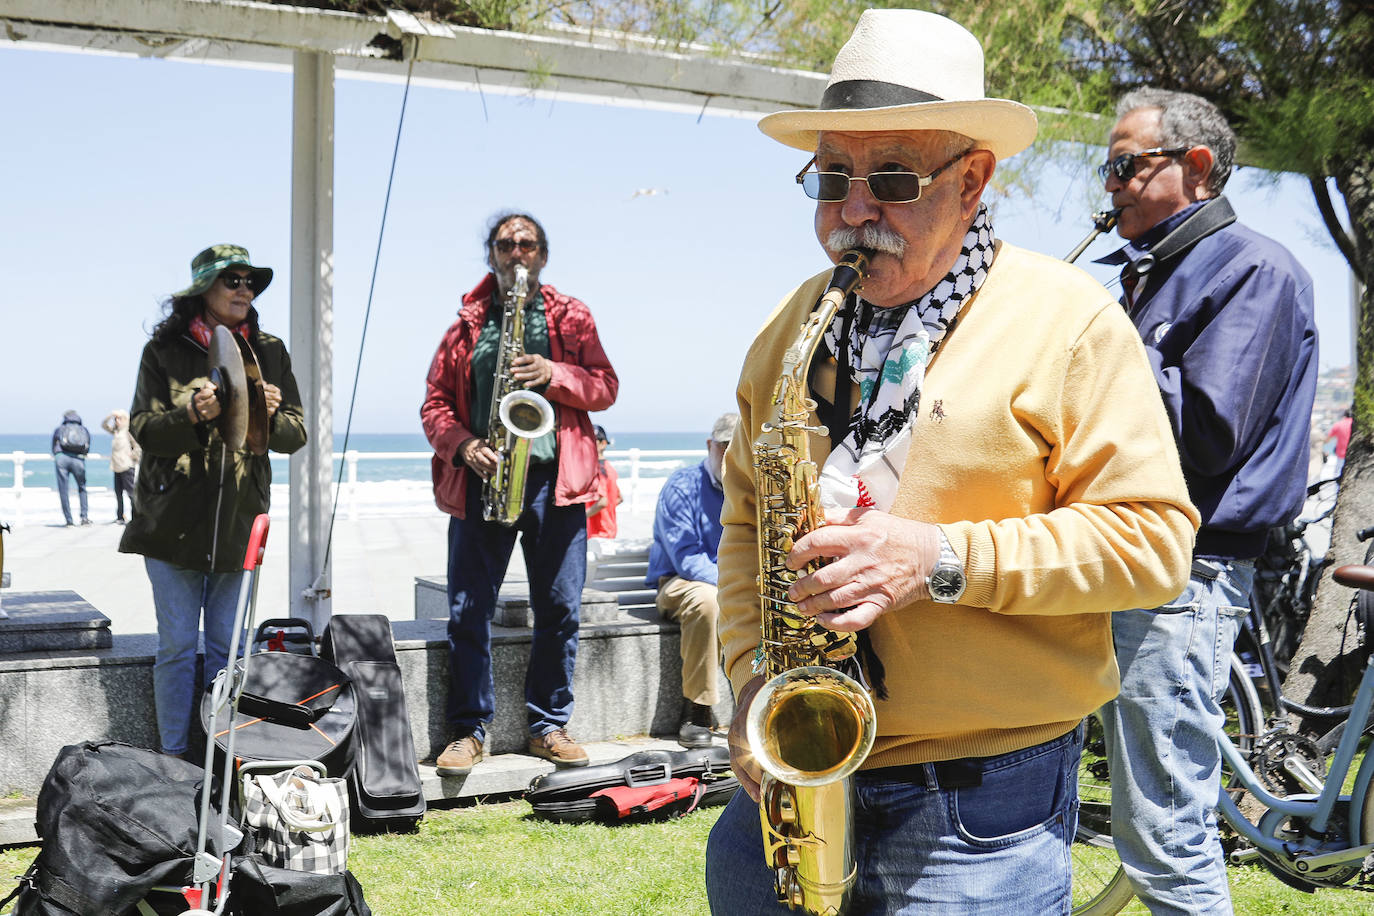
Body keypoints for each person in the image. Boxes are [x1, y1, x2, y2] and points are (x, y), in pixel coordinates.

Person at [704, 10, 1201, 913]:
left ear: (974, 180)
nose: (855, 210)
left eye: (893, 176)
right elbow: (744, 525)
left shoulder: (1069, 320)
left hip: (979, 808)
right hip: (793, 778)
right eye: (833, 178)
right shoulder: (791, 326)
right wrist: (749, 682)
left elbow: (1155, 544)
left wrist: (935, 559)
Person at [1094, 89, 1318, 915]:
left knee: (1164, 829)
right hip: (1134, 562)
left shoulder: (1254, 269)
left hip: (1185, 573)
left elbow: (1207, 433)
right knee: (1143, 814)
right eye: (1107, 167)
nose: (1109, 183)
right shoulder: (1161, 272)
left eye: (1126, 164)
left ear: (1195, 168)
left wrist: (1095, 336)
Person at [421, 212, 619, 775]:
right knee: (467, 611)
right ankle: (468, 730)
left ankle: (548, 724)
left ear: (543, 255)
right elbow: (434, 404)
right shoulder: (467, 323)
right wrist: (461, 446)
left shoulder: (572, 316)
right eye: (506, 244)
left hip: (557, 486)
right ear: (491, 255)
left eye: (526, 244)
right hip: (486, 477)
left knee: (559, 609)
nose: (516, 253)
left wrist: (553, 373)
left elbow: (605, 387)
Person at [119, 244, 307, 759]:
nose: (245, 289)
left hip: (239, 527)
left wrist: (270, 414)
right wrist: (193, 415)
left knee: (229, 651)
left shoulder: (270, 349)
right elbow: (144, 430)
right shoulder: (164, 350)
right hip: (171, 526)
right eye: (234, 280)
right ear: (204, 289)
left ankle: (223, 760)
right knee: (178, 649)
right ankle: (175, 759)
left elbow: (295, 435)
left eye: (251, 281)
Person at [645, 412, 739, 749]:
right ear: (709, 445)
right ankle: (698, 710)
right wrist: (736, 586)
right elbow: (687, 558)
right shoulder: (681, 485)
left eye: (736, 447)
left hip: (730, 583)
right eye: (724, 448)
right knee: (707, 600)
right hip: (680, 583)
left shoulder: (750, 487)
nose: (729, 457)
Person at [51, 410, 92, 527]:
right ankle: (84, 518)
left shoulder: (61, 428)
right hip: (79, 460)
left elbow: (54, 444)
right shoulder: (83, 429)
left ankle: (69, 520)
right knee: (82, 488)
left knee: (64, 490)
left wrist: (57, 454)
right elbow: (87, 446)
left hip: (62, 459)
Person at [101, 409, 142, 524]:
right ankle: (120, 517)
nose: (117, 421)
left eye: (119, 418)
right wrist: (111, 415)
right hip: (116, 466)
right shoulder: (116, 431)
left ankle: (137, 515)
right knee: (118, 493)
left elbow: (138, 446)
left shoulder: (128, 431)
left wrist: (133, 456)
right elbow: (103, 425)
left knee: (130, 493)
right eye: (116, 419)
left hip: (127, 466)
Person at [585, 424, 622, 539]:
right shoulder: (609, 468)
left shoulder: (597, 469)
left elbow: (602, 502)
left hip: (597, 533)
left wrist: (581, 517)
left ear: (603, 443)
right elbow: (619, 498)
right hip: (609, 529)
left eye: (593, 440)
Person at [1325, 408, 1352, 477]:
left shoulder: (1338, 424)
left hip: (1341, 454)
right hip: (1353, 453)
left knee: (1337, 475)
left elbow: (1328, 439)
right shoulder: (1355, 425)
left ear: (1344, 415)